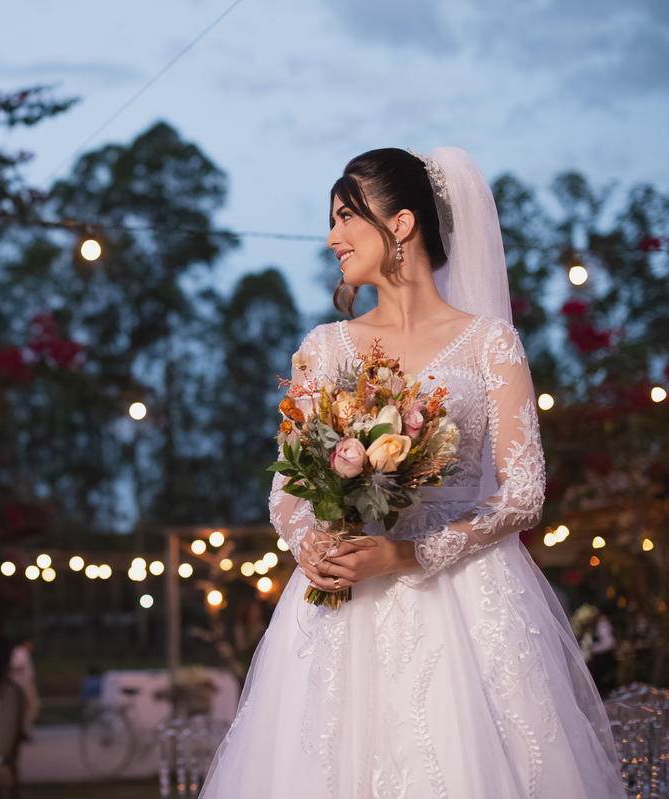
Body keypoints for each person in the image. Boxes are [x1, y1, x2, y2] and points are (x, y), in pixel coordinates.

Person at [200, 148, 623, 798]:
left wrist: (412, 551)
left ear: (400, 224)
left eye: (346, 216)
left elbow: (524, 492)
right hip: (339, 609)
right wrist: (307, 539)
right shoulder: (323, 347)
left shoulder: (489, 343)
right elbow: (286, 491)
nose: (332, 236)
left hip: (464, 599)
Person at [9, 634, 40, 735]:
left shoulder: (23, 652)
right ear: (26, 643)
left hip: (25, 682)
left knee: (27, 707)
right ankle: (23, 728)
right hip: (23, 683)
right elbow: (15, 665)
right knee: (34, 705)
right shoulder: (20, 652)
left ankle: (23, 729)